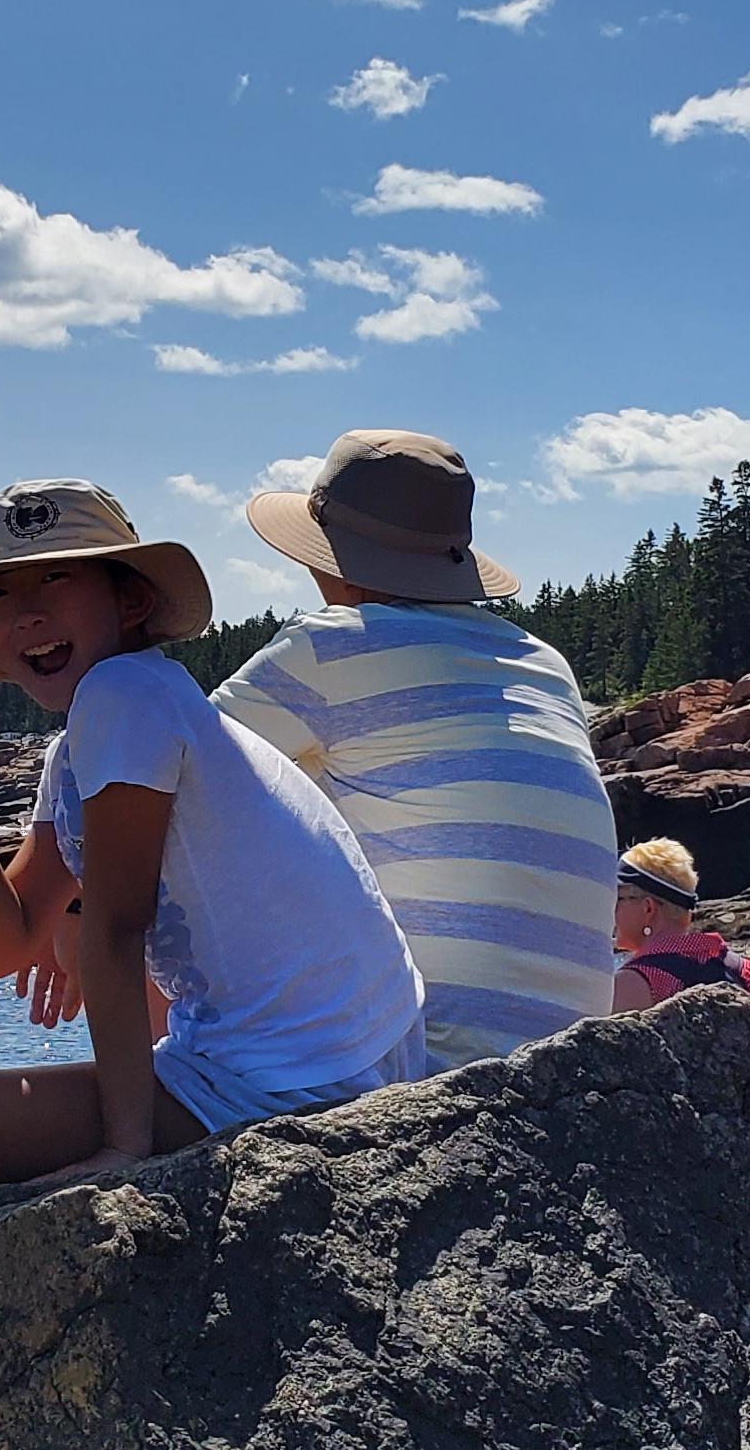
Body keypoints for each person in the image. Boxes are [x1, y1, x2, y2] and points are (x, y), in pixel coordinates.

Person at [0, 476, 426, 1213]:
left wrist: (124, 1152)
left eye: (56, 577)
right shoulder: (92, 736)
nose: (27, 611)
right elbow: (1, 947)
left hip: (298, 1082)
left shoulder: (125, 692)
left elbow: (117, 925)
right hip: (326, 1061)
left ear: (130, 601)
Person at [212, 428, 619, 1071]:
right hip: (569, 1061)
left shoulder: (331, 645)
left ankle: (153, 1088)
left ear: (331, 557)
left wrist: (85, 917)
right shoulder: (545, 663)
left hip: (414, 1050)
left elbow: (159, 767)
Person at [610, 836, 750, 1011]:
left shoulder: (634, 983)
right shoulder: (748, 973)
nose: (608, 909)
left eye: (616, 898)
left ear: (648, 908)